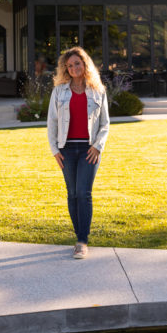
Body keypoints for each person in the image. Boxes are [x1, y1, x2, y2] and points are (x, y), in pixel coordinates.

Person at [47, 46, 110, 259]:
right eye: (70, 65)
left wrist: (97, 146)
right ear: (66, 69)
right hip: (66, 150)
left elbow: (105, 124)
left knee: (83, 193)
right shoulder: (59, 91)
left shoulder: (98, 90)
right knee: (72, 194)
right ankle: (78, 236)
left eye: (77, 63)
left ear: (85, 64)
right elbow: (52, 123)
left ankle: (82, 241)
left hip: (88, 149)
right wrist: (55, 150)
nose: (74, 68)